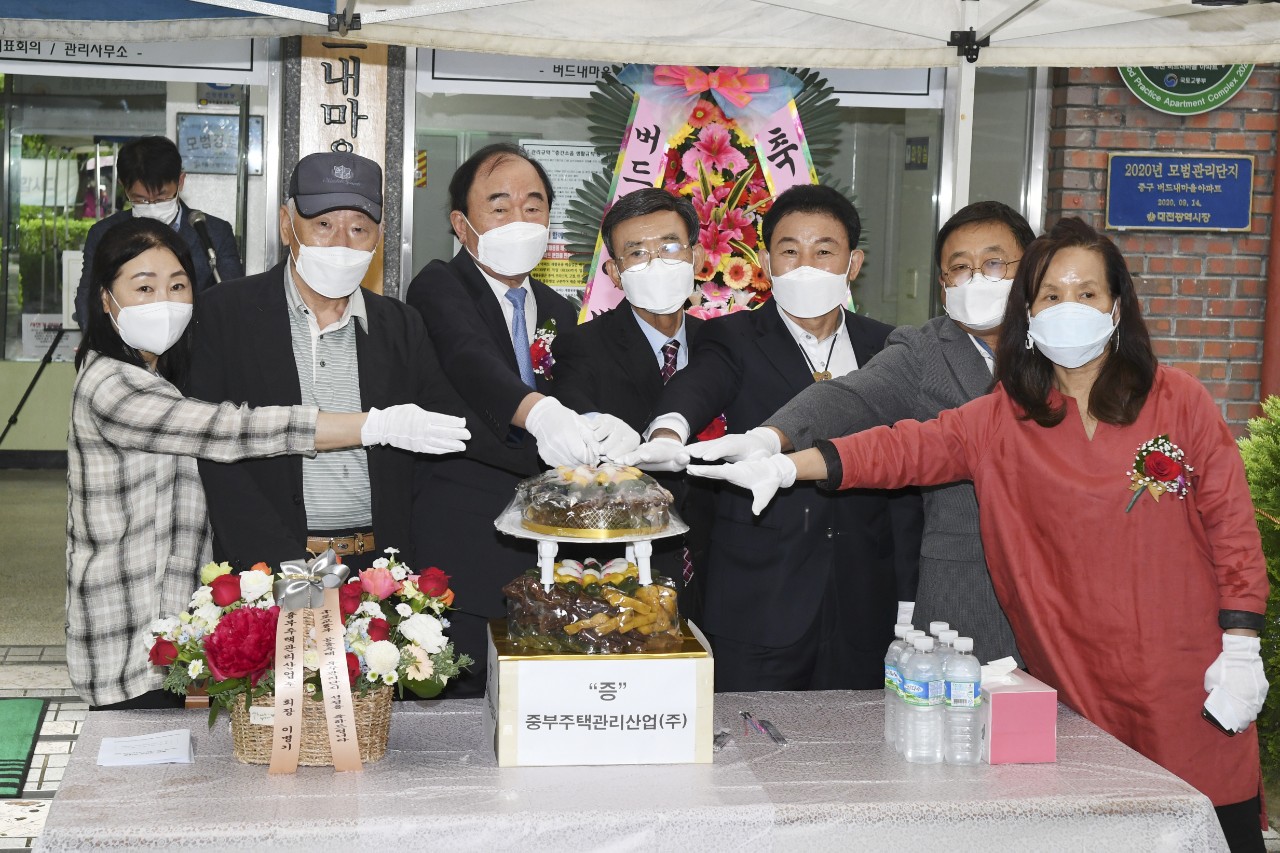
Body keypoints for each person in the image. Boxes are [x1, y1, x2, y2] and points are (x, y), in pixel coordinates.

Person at [693, 217, 1269, 851]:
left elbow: (1232, 529)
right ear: (1028, 310)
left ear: (1118, 305)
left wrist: (1242, 646)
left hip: (1188, 672)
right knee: (1097, 825)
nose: (1069, 309)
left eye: (1087, 293)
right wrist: (783, 464)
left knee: (1214, 822)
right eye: (1051, 296)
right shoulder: (1005, 416)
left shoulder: (1179, 401)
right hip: (1072, 674)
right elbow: (899, 449)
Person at [68, 218, 468, 711]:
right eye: (143, 287)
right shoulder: (110, 384)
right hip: (125, 632)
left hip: (175, 628)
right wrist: (372, 426)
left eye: (177, 286)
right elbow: (229, 429)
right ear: (106, 299)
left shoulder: (164, 374)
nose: (164, 302)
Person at [691, 201, 1035, 664]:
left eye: (994, 264)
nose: (976, 279)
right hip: (968, 589)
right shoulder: (924, 350)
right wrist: (771, 440)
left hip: (1062, 579)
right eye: (960, 268)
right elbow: (852, 399)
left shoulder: (1062, 347)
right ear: (943, 283)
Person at [623, 184, 923, 693]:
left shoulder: (889, 346)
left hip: (863, 597)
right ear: (764, 261)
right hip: (761, 596)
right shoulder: (734, 337)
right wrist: (669, 431)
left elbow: (910, 471)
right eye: (789, 251)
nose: (806, 265)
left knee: (856, 753)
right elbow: (698, 386)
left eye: (824, 251)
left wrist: (910, 597)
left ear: (854, 263)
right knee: (747, 748)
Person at [405, 143, 637, 697]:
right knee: (454, 710)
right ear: (463, 225)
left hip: (546, 548)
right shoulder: (440, 285)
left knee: (537, 708)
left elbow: (578, 389)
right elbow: (470, 359)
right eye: (500, 206)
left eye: (534, 206)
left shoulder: (558, 309)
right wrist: (541, 413)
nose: (520, 219)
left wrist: (601, 427)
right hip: (461, 540)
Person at [188, 151, 467, 574]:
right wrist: (276, 562)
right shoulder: (226, 314)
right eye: (322, 225)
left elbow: (432, 452)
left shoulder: (401, 326)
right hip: (265, 566)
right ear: (287, 225)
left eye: (359, 228)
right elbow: (212, 449)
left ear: (379, 236)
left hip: (381, 569)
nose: (341, 242)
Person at [550, 187, 715, 618]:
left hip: (723, 568)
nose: (656, 262)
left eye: (669, 246)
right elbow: (574, 419)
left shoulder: (721, 345)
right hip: (625, 572)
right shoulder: (582, 346)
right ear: (616, 273)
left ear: (696, 258)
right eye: (637, 253)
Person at [74, 136, 242, 325]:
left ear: (180, 181)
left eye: (161, 197)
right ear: (123, 186)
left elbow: (231, 300)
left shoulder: (213, 233)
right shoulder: (104, 234)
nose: (152, 206)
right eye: (140, 199)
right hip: (126, 347)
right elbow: (88, 301)